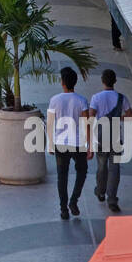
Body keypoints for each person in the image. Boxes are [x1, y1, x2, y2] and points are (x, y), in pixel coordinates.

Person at [48, 66, 92, 220]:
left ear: (62, 83)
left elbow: (50, 123)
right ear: (75, 82)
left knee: (62, 176)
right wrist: (89, 146)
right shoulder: (81, 100)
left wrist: (50, 143)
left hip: (60, 143)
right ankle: (74, 200)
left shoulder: (54, 100)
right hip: (78, 143)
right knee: (82, 171)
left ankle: (63, 209)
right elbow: (87, 124)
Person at [88, 69, 132, 213]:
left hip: (101, 137)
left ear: (102, 81)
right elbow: (130, 117)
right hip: (115, 137)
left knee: (102, 167)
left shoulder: (96, 97)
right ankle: (112, 199)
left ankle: (100, 191)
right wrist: (118, 118)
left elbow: (91, 117)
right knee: (115, 169)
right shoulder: (122, 98)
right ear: (115, 81)